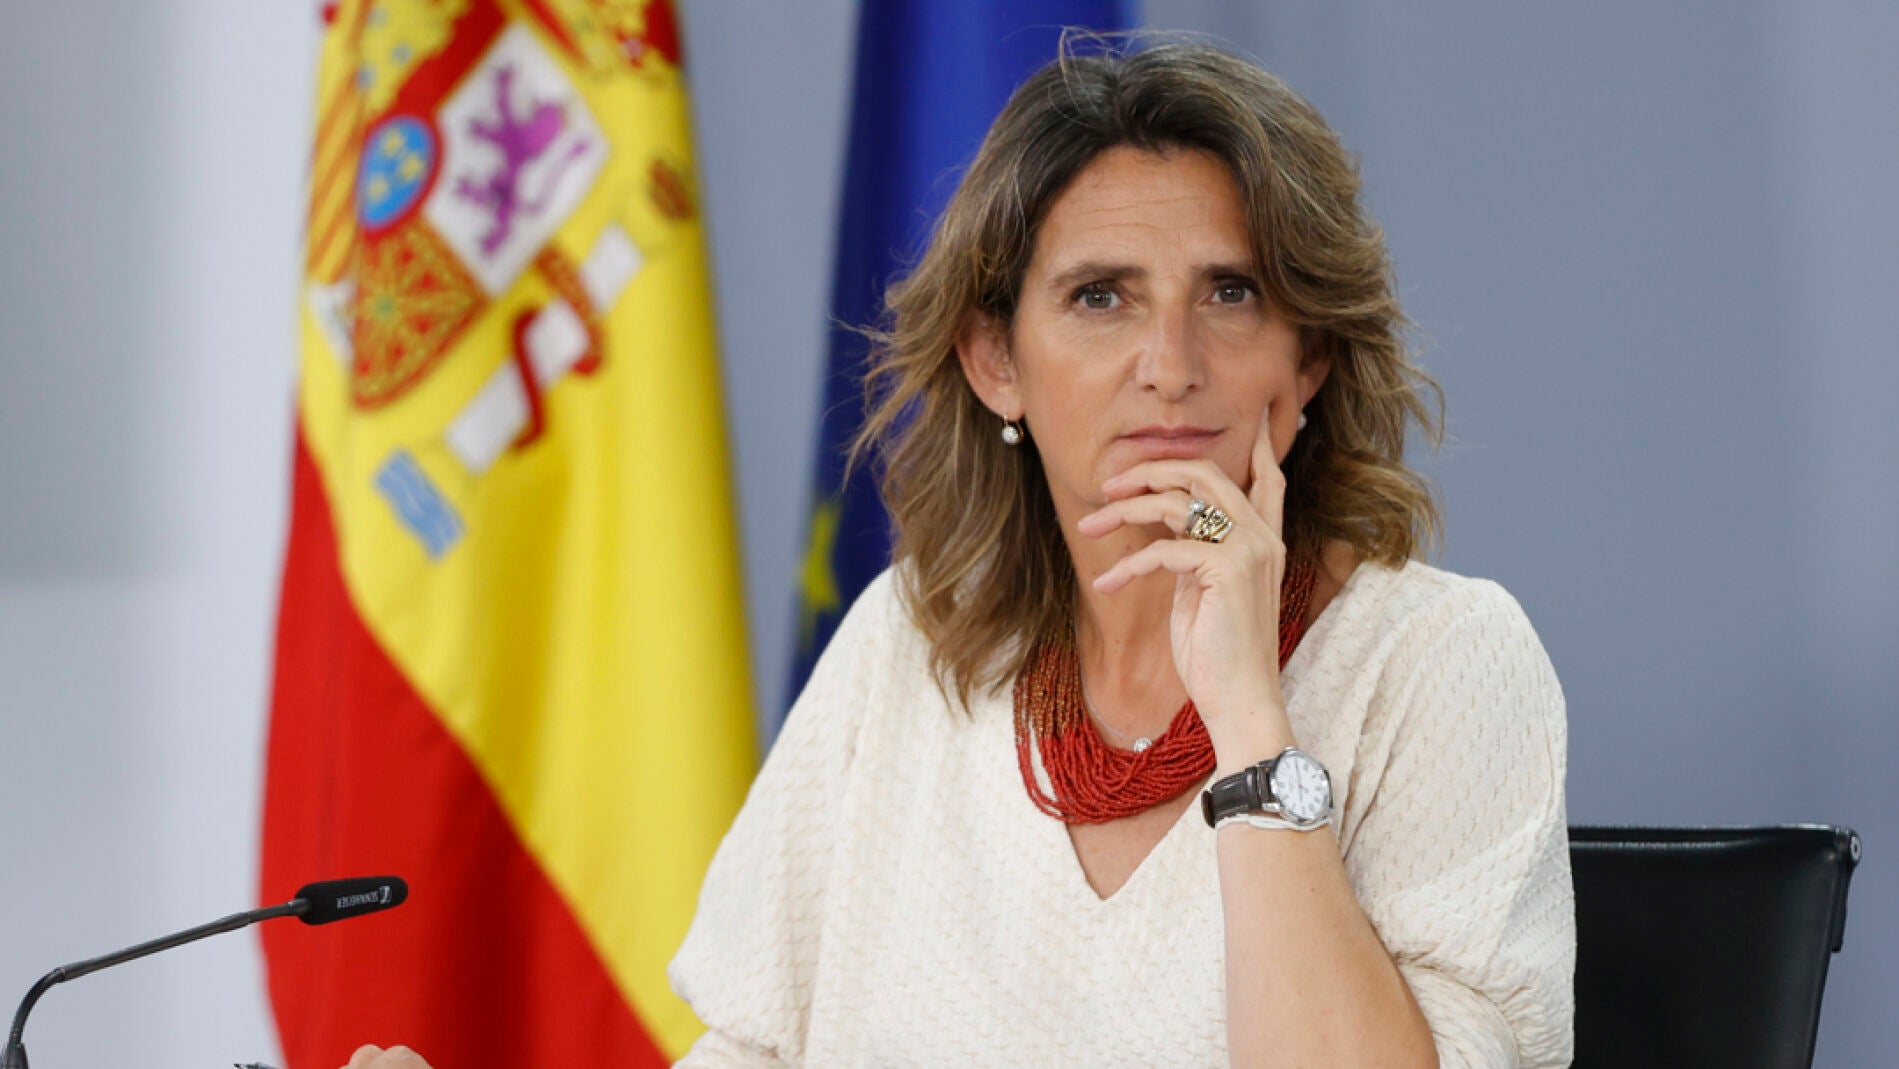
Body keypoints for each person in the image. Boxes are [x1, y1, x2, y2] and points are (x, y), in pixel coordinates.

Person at [348, 34, 1573, 1069]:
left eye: (1232, 292)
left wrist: (1253, 721)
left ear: (1306, 363)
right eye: (1100, 296)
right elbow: (748, 1053)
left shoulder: (1444, 662)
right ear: (997, 363)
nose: (1170, 364)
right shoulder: (912, 641)